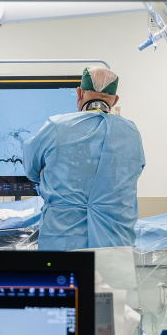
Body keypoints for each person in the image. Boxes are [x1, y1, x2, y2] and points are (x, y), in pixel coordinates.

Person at [23, 66, 146, 251]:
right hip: (115, 244)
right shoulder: (131, 133)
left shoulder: (57, 127)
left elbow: (31, 169)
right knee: (112, 271)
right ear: (115, 100)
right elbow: (133, 173)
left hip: (63, 241)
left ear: (79, 93)